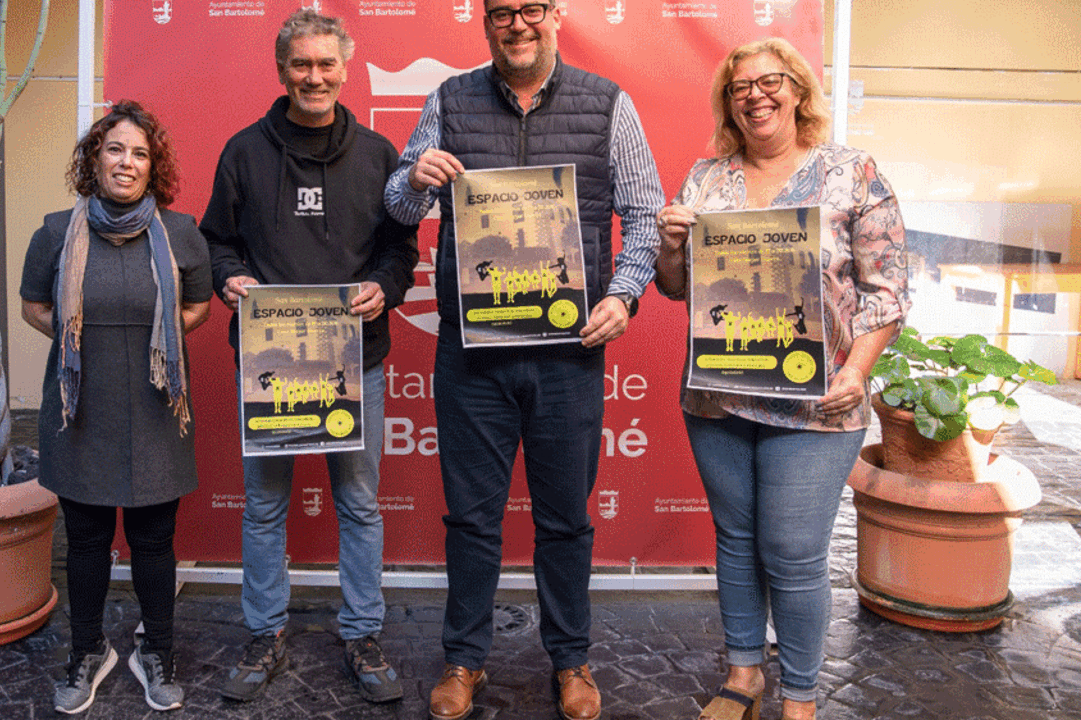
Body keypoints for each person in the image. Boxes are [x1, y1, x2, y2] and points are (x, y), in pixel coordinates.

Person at [383, 3, 664, 719]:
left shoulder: (609, 105)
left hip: (568, 355)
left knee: (566, 517)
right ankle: (463, 660)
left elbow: (645, 211)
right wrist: (415, 178)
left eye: (530, 9)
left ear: (555, 16)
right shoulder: (449, 99)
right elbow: (396, 206)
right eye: (502, 11)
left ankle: (571, 660)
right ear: (486, 21)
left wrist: (625, 296)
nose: (517, 24)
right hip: (472, 356)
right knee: (472, 519)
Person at [654, 38, 910, 720]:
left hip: (818, 400)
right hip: (719, 394)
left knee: (794, 551)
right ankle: (744, 675)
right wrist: (673, 246)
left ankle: (800, 696)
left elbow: (886, 290)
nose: (755, 95)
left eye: (770, 82)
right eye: (740, 87)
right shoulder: (707, 180)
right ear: (728, 103)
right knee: (735, 539)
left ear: (798, 91)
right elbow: (675, 289)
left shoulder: (851, 173)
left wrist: (858, 369)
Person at [199, 8, 419, 705]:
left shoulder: (382, 156)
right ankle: (264, 632)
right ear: (282, 70)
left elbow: (400, 249)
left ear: (345, 70)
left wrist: (385, 288)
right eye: (302, 64)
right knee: (264, 507)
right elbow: (216, 241)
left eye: (326, 64)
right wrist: (226, 276)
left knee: (359, 503)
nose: (314, 76)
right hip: (271, 363)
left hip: (357, 362)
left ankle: (362, 631)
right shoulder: (242, 152)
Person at [20, 100, 212, 714]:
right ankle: (87, 652)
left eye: (139, 153)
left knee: (155, 541)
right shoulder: (55, 232)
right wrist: (85, 342)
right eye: (114, 149)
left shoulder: (181, 234)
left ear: (152, 166)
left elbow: (199, 305)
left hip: (157, 406)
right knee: (86, 539)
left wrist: (154, 344)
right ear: (93, 159)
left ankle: (157, 652)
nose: (126, 163)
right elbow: (34, 306)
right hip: (82, 408)